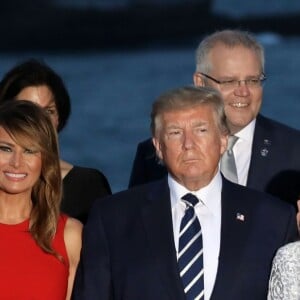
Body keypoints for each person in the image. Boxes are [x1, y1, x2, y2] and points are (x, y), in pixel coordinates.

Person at [72, 86, 297, 300]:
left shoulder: (273, 218)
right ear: (158, 146)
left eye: (201, 130)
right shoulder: (113, 219)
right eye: (175, 132)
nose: (189, 144)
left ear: (222, 140)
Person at [128, 29, 300, 208]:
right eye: (229, 81)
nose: (243, 92)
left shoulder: (294, 151)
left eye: (252, 81)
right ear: (200, 83)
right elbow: (133, 228)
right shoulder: (152, 155)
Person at [0, 59, 112, 223]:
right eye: (27, 110)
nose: (39, 120)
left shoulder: (87, 185)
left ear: (59, 117)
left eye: (49, 111)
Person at [0, 100, 82, 299]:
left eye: (29, 151)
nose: (16, 163)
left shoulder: (70, 235)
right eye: (5, 148)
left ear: (45, 159)